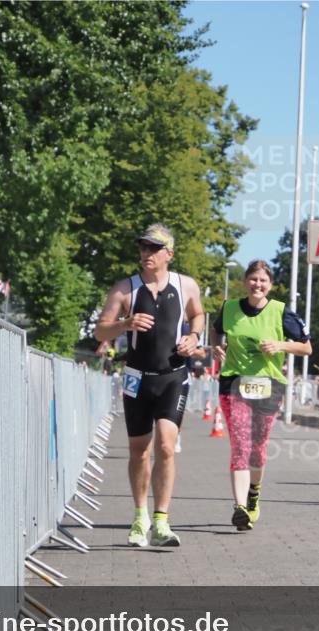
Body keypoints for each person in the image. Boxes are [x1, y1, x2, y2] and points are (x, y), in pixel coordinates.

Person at [94, 223, 204, 547]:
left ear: (169, 254)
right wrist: (125, 323)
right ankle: (140, 516)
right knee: (139, 450)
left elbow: (198, 315)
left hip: (173, 376)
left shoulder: (186, 285)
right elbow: (100, 331)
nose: (146, 254)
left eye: (154, 248)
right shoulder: (124, 289)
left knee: (167, 446)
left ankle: (161, 521)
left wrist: (194, 336)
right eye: (143, 248)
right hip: (137, 378)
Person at [212, 260, 311, 531]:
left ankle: (253, 495)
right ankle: (240, 507)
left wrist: (280, 345)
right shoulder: (230, 308)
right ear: (245, 282)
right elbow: (216, 331)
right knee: (240, 445)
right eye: (253, 279)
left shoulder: (281, 311)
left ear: (270, 285)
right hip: (234, 383)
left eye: (263, 280)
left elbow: (307, 348)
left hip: (268, 385)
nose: (257, 284)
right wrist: (216, 346)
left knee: (257, 448)